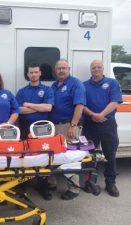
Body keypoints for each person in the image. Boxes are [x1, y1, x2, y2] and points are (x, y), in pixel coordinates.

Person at [83, 59, 122, 197]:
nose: (96, 69)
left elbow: (115, 101)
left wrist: (101, 115)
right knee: (89, 155)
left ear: (103, 68)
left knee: (110, 154)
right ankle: (90, 182)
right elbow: (81, 104)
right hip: (90, 125)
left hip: (107, 124)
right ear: (90, 69)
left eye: (99, 67)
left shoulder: (112, 83)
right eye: (94, 67)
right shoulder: (84, 85)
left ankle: (111, 183)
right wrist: (93, 115)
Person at [16, 63, 54, 200]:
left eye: (35, 72)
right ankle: (23, 186)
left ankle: (43, 186)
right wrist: (38, 107)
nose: (33, 74)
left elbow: (48, 108)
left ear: (40, 73)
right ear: (27, 74)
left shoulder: (47, 90)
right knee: (25, 156)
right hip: (25, 128)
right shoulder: (21, 91)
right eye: (31, 72)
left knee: (43, 158)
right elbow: (19, 110)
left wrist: (29, 105)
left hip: (42, 129)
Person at [49, 59, 86, 200]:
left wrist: (73, 125)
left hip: (68, 126)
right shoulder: (53, 86)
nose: (61, 71)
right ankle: (51, 183)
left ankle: (74, 188)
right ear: (55, 70)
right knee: (53, 156)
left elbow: (79, 105)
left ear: (69, 69)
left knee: (70, 158)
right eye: (59, 68)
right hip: (54, 126)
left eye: (64, 68)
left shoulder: (75, 84)